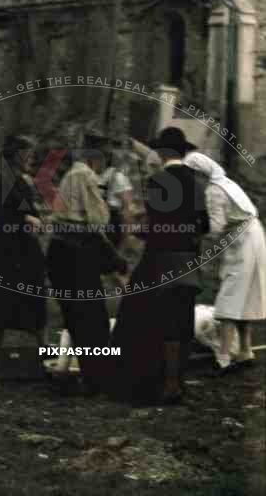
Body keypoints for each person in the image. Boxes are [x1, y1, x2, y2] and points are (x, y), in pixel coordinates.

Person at [110, 127, 209, 404]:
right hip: (188, 260)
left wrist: (140, 232)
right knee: (181, 322)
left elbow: (154, 227)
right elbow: (204, 225)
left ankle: (152, 382)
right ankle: (176, 380)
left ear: (164, 153)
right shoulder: (196, 182)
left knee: (145, 318)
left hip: (160, 260)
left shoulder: (158, 181)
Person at [47, 133, 127, 394]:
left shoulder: (75, 174)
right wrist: (114, 258)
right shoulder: (84, 176)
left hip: (65, 251)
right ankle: (95, 378)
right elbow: (97, 222)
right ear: (97, 156)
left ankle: (92, 373)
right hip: (75, 253)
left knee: (79, 317)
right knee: (90, 319)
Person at [184, 151, 266, 372]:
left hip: (242, 241)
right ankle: (245, 350)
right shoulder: (226, 183)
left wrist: (193, 232)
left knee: (230, 297)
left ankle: (223, 358)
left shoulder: (214, 191)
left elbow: (217, 226)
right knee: (244, 297)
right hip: (252, 236)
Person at [0, 135, 47, 348]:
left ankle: (41, 341)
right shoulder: (0, 180)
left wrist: (37, 219)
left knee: (34, 292)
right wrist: (25, 219)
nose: (31, 158)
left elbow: (30, 210)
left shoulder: (21, 181)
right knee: (4, 296)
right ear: (15, 155)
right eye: (27, 154)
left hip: (26, 247)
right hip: (7, 248)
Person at [99, 139, 133, 247]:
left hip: (100, 218)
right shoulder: (120, 178)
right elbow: (128, 209)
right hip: (113, 220)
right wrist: (126, 237)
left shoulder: (106, 174)